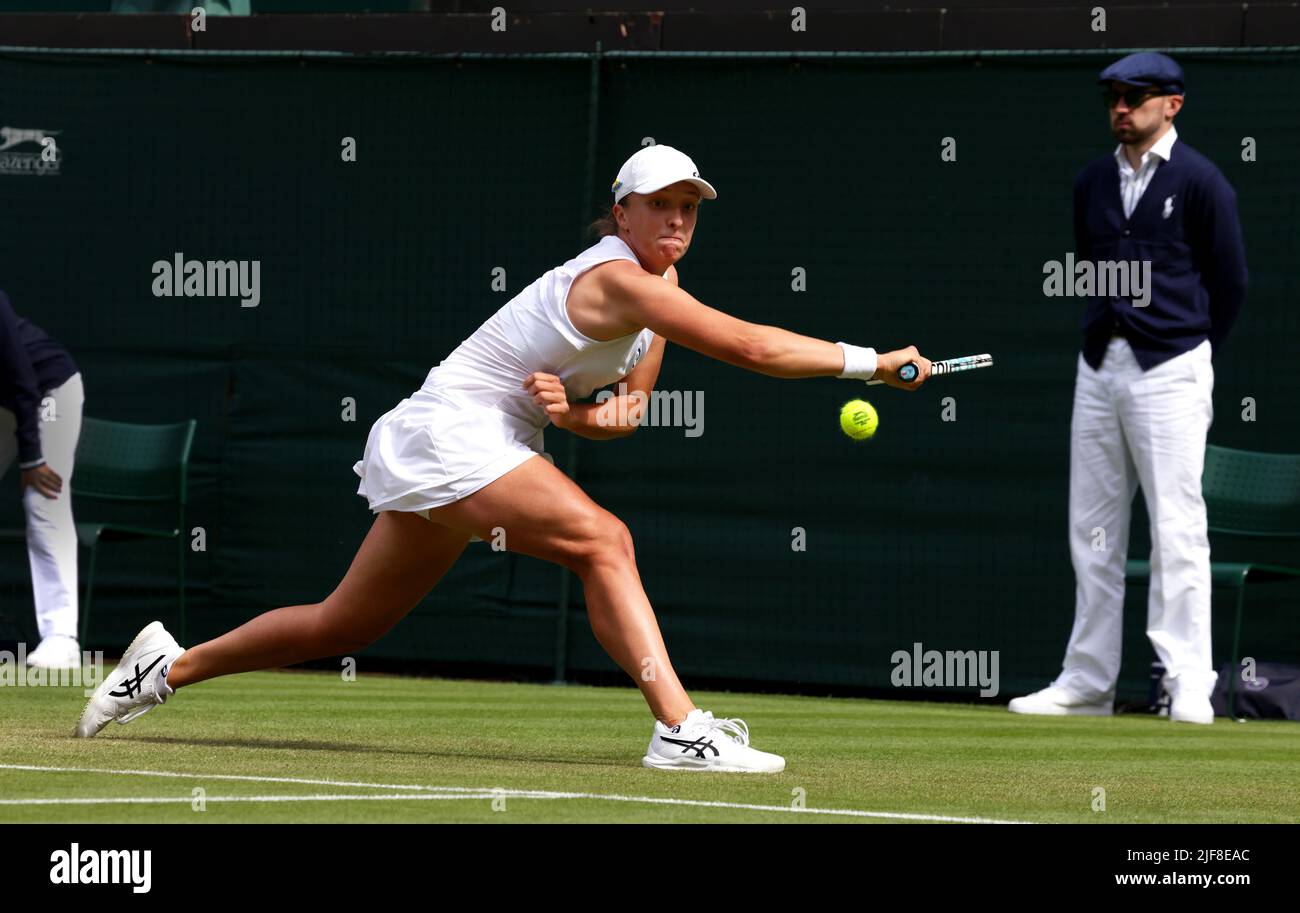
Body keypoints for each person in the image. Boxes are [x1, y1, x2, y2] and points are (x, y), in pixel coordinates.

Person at [77, 144, 932, 770]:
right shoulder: (614, 280)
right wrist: (870, 361)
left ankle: (165, 665)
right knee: (606, 539)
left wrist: (573, 414)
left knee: (345, 624)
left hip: (488, 445)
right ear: (621, 212)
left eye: (691, 207)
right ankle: (680, 728)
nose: (677, 219)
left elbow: (624, 414)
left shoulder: (659, 297)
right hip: (451, 429)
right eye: (660, 204)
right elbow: (750, 346)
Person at [1010, 53, 1247, 724]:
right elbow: (1091, 265)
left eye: (1136, 96)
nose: (1121, 107)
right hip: (1099, 366)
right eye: (1113, 96)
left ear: (1171, 104)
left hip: (1173, 366)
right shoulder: (1092, 181)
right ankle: (1087, 682)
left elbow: (1230, 283)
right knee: (1092, 529)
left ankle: (1187, 684)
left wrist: (1189, 350)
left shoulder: (1202, 182)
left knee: (1177, 529)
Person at [0, 289, 85, 669]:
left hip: (48, 391)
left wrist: (31, 457)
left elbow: (21, 377)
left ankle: (61, 638)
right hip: (6, 402)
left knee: (42, 499)